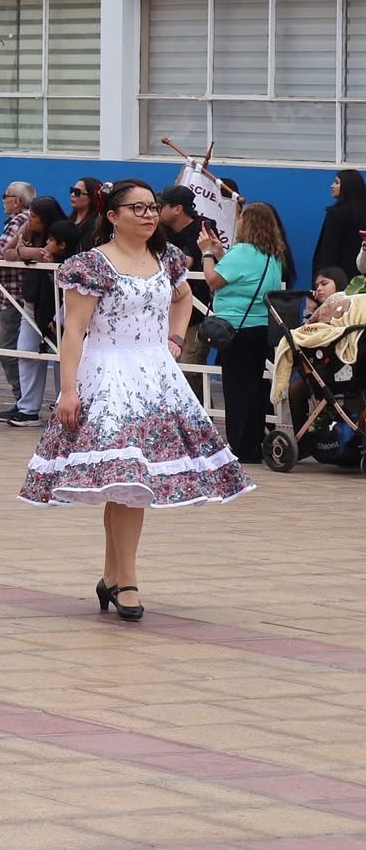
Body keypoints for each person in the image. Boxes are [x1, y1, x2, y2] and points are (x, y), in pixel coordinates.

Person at [20, 179, 254, 621]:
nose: (149, 215)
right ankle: (124, 580)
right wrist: (67, 391)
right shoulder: (91, 265)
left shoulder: (166, 258)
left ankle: (115, 576)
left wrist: (175, 339)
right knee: (126, 479)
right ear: (112, 216)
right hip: (108, 375)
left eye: (152, 208)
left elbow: (184, 299)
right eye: (138, 209)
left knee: (128, 484)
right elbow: (74, 332)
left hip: (157, 379)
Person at [198, 200, 289, 467]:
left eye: (240, 218)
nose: (236, 222)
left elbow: (214, 280)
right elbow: (245, 279)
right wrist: (220, 252)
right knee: (254, 387)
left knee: (236, 389)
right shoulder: (271, 254)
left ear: (247, 223)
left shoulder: (242, 251)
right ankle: (252, 443)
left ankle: (240, 446)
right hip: (261, 327)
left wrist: (206, 254)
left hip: (236, 327)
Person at [7, 220, 80, 429]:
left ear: (62, 245)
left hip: (63, 318)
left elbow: (67, 293)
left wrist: (58, 318)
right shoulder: (45, 259)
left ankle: (63, 407)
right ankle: (28, 408)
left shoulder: (73, 264)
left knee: (63, 361)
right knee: (26, 352)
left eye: (51, 240)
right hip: (36, 312)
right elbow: (7, 253)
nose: (46, 242)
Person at [0, 182, 37, 408]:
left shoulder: (19, 220)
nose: (2, 200)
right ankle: (23, 399)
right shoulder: (26, 219)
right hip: (12, 293)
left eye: (5, 196)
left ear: (16, 201)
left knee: (7, 350)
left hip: (13, 294)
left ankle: (22, 400)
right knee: (12, 349)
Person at [311, 169, 366, 280]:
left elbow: (327, 252)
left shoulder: (335, 214)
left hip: (339, 280)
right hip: (361, 280)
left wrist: (319, 281)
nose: (332, 186)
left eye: (337, 182)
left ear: (347, 186)